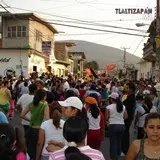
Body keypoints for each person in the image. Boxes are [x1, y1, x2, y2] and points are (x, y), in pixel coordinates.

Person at [21, 89, 50, 160]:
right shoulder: (45, 105)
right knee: (37, 149)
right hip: (38, 130)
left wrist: (30, 119)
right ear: (43, 97)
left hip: (30, 128)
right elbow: (47, 119)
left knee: (30, 149)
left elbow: (22, 115)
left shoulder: (31, 104)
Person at [106, 92, 128, 160]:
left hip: (112, 125)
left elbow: (106, 117)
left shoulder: (108, 107)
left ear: (111, 99)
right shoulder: (123, 106)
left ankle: (113, 158)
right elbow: (126, 116)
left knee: (113, 142)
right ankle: (118, 154)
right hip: (122, 125)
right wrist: (120, 119)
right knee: (119, 141)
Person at [17, 84, 37, 148]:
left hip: (24, 121)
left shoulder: (23, 96)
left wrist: (21, 110)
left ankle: (26, 149)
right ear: (35, 90)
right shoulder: (36, 98)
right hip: (34, 121)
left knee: (26, 136)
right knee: (33, 138)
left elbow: (17, 105)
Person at [121, 82, 136, 155]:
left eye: (127, 88)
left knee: (125, 133)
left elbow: (127, 109)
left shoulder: (131, 97)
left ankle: (125, 150)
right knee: (125, 133)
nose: (126, 89)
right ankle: (124, 148)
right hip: (127, 117)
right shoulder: (128, 96)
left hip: (127, 118)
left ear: (131, 89)